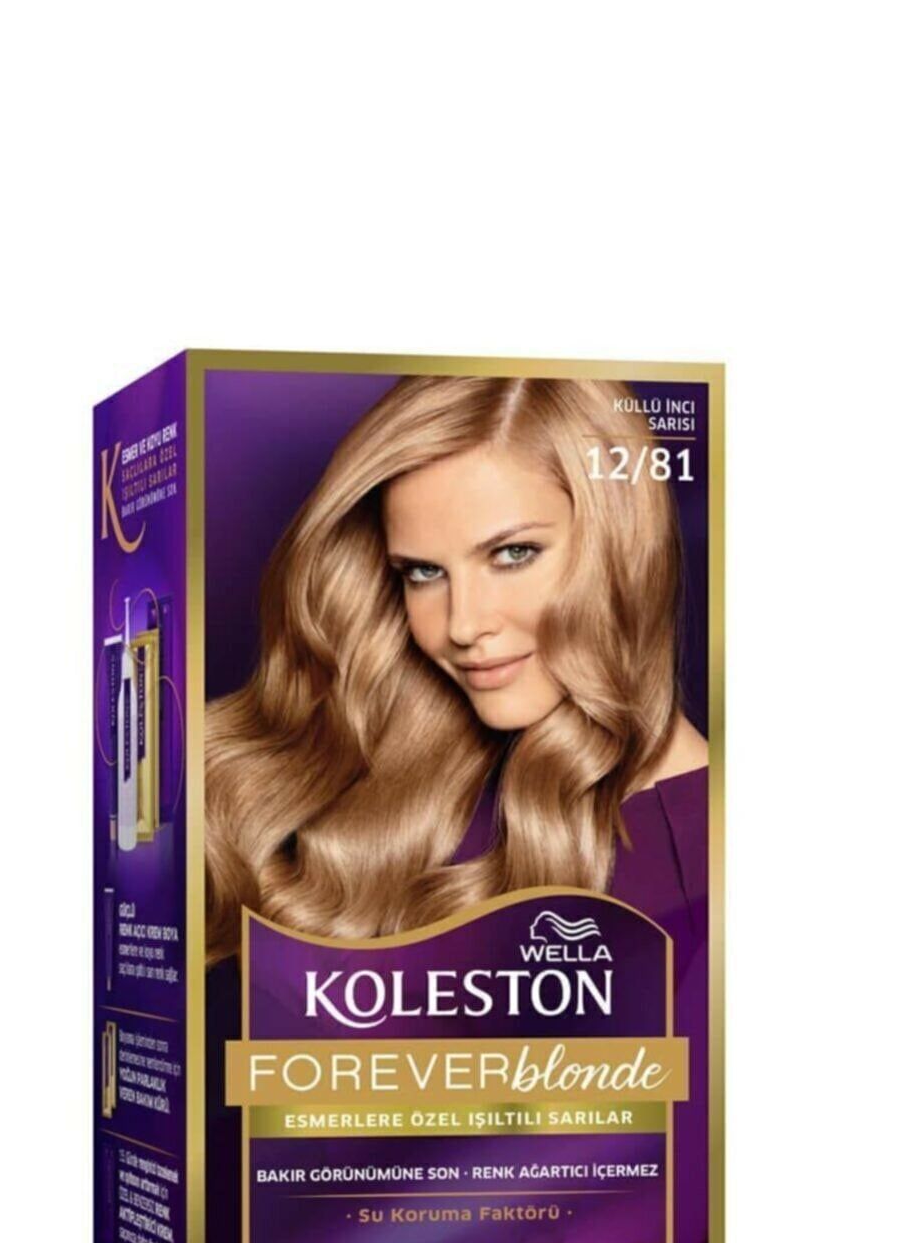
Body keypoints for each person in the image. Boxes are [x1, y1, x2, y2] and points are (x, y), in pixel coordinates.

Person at [203, 375, 707, 965]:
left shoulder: (710, 864)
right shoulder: (381, 780)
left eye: (513, 554)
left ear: (622, 547)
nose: (463, 625)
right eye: (422, 572)